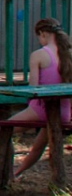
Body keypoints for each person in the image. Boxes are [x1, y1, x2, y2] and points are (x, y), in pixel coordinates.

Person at [10, 18, 72, 177]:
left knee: (6, 129)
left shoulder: (38, 55)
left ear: (43, 34)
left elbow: (34, 89)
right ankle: (18, 173)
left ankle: (8, 172)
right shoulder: (68, 54)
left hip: (41, 109)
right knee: (38, 147)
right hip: (65, 113)